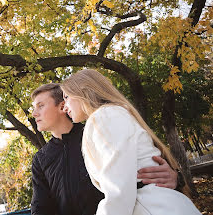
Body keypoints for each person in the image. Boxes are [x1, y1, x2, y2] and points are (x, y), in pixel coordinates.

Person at [61, 69, 201, 215]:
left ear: (82, 91)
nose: (64, 106)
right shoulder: (112, 114)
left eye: (66, 97)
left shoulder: (105, 116)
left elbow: (119, 191)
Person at [30, 83, 182, 215]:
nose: (34, 113)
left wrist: (176, 178)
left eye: (40, 106)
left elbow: (139, 169)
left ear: (62, 106)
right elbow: (41, 208)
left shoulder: (98, 130)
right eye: (34, 108)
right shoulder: (40, 159)